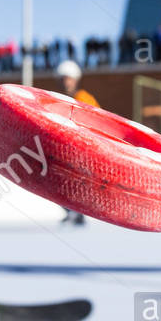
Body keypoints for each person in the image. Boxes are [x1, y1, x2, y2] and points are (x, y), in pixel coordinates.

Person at [55, 60, 98, 224]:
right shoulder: (59, 99)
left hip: (82, 148)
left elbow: (96, 122)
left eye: (69, 78)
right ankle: (71, 211)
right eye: (63, 79)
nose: (66, 82)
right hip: (64, 148)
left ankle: (78, 213)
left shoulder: (85, 98)